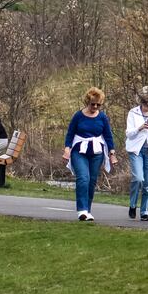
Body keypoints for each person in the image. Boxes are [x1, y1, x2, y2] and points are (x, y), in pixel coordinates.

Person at [62, 87, 117, 222]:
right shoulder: (78, 116)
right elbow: (70, 134)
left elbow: (108, 136)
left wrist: (112, 153)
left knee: (92, 181)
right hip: (79, 150)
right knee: (83, 178)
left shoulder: (102, 117)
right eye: (93, 104)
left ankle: (88, 210)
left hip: (96, 152)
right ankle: (82, 210)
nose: (95, 106)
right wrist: (67, 149)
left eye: (98, 104)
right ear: (88, 101)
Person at [124, 86, 148, 222]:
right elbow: (129, 133)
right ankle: (133, 204)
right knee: (138, 178)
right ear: (141, 101)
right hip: (136, 149)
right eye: (146, 102)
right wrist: (140, 128)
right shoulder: (133, 113)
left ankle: (144, 211)